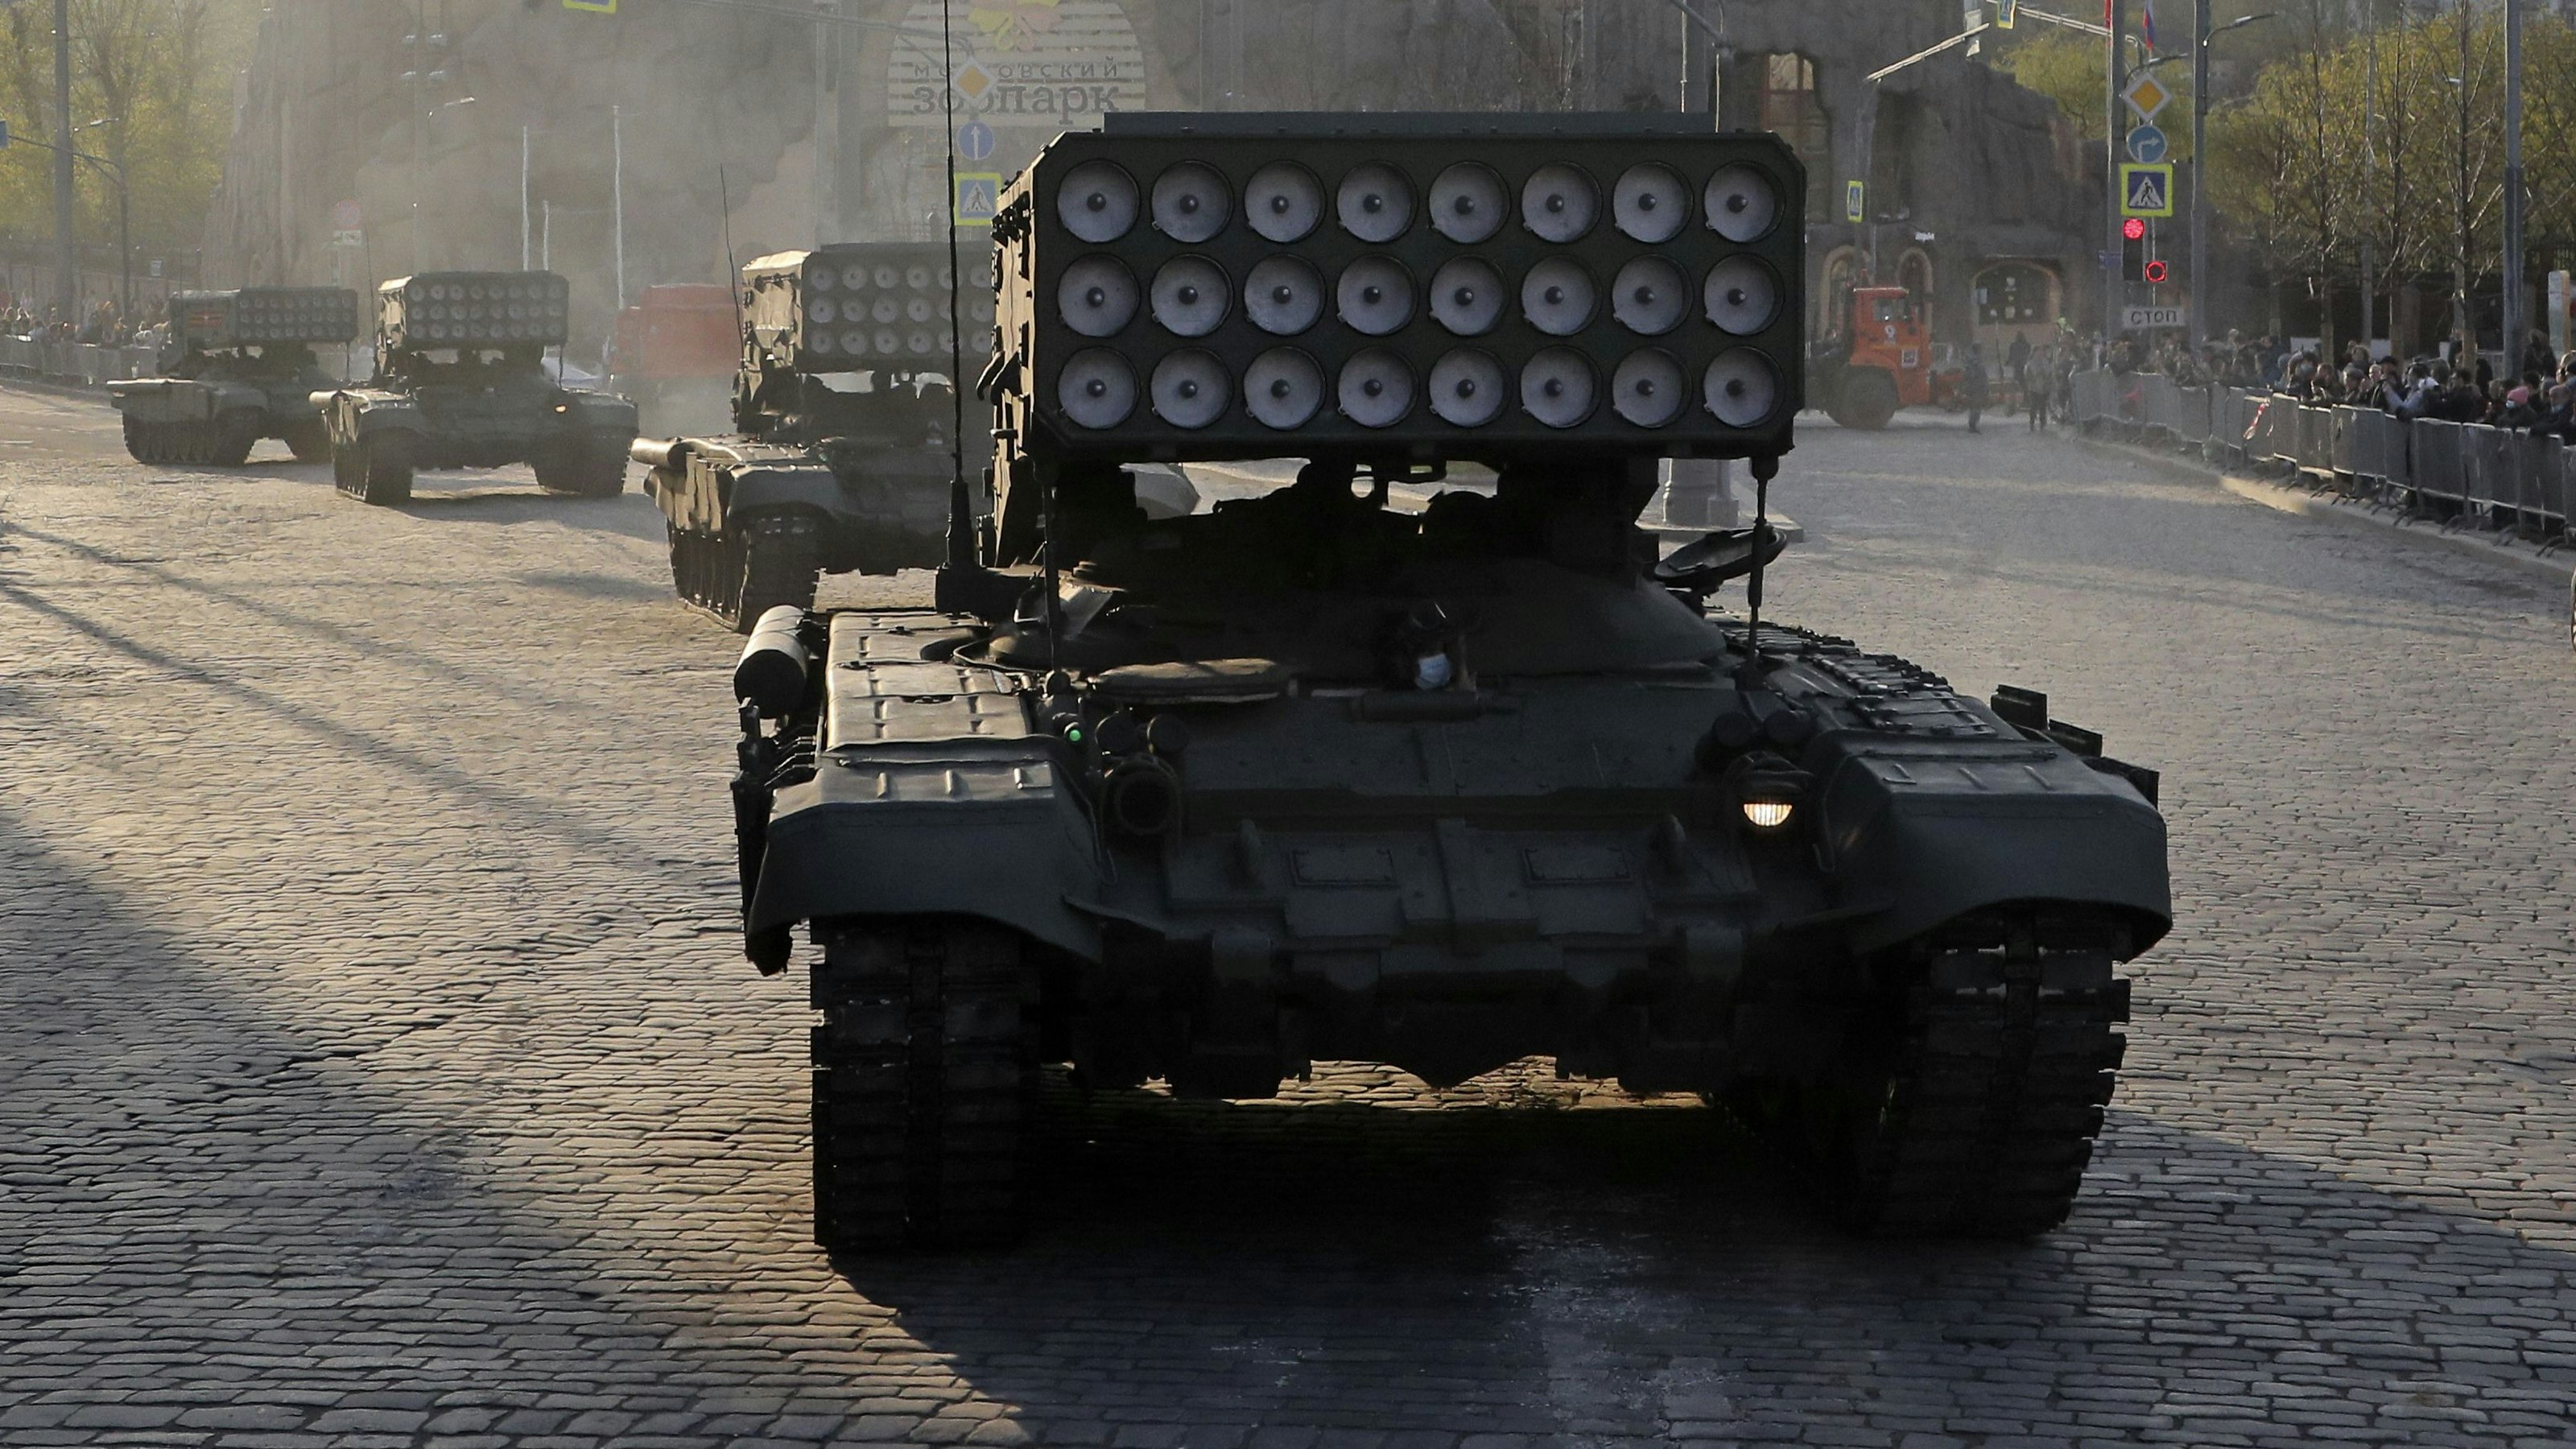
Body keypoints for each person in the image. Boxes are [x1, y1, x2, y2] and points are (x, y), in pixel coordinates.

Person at [1963, 342, 1988, 434]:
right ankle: (1972, 425)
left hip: (1975, 386)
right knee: (1976, 407)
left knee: (1974, 407)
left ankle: (1973, 424)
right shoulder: (1976, 362)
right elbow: (1976, 375)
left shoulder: (1971, 361)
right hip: (1977, 387)